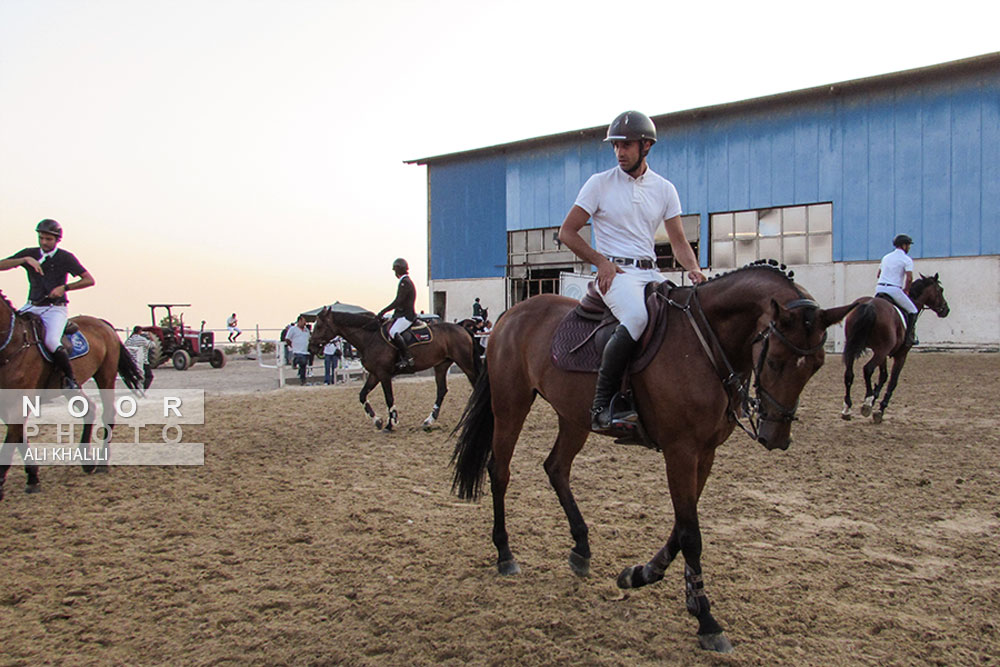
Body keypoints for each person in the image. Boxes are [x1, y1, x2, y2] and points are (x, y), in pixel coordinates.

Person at [558, 111, 707, 433]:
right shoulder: (599, 184)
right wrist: (600, 262)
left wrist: (694, 268)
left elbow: (679, 241)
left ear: (647, 146)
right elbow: (567, 232)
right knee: (637, 319)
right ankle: (601, 405)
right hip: (617, 274)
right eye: (615, 146)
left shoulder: (665, 189)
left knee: (684, 311)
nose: (619, 152)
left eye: (626, 145)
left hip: (650, 271)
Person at [0, 219, 95, 389]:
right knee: (11, 332)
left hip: (55, 309)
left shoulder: (65, 257)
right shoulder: (30, 253)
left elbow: (89, 280)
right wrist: (24, 260)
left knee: (51, 340)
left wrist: (65, 287)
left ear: (57, 239)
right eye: (41, 238)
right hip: (31, 305)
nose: (44, 242)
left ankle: (70, 380)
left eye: (48, 239)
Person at [875, 233, 919, 346]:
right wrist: (906, 290)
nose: (909, 248)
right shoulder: (906, 259)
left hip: (879, 288)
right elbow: (909, 278)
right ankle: (909, 338)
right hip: (894, 290)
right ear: (904, 245)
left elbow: (878, 274)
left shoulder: (886, 257)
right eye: (908, 245)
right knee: (913, 310)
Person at [376, 257, 417, 371]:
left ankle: (407, 358)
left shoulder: (405, 283)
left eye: (395, 270)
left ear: (399, 270)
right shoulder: (405, 282)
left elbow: (399, 301)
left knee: (394, 332)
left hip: (407, 316)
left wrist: (383, 311)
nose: (395, 272)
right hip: (402, 314)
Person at [125, 326, 155, 390]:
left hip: (132, 361)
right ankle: (144, 389)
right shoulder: (142, 339)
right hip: (142, 361)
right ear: (140, 331)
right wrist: (151, 337)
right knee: (149, 376)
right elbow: (152, 345)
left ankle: (135, 387)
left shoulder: (129, 340)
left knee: (132, 375)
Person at [284, 315, 312, 385]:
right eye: (303, 321)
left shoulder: (306, 330)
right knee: (302, 361)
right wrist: (291, 345)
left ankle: (303, 380)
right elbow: (287, 338)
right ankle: (295, 361)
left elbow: (309, 338)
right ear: (299, 321)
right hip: (297, 350)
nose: (305, 323)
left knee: (304, 366)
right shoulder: (293, 329)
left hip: (305, 351)